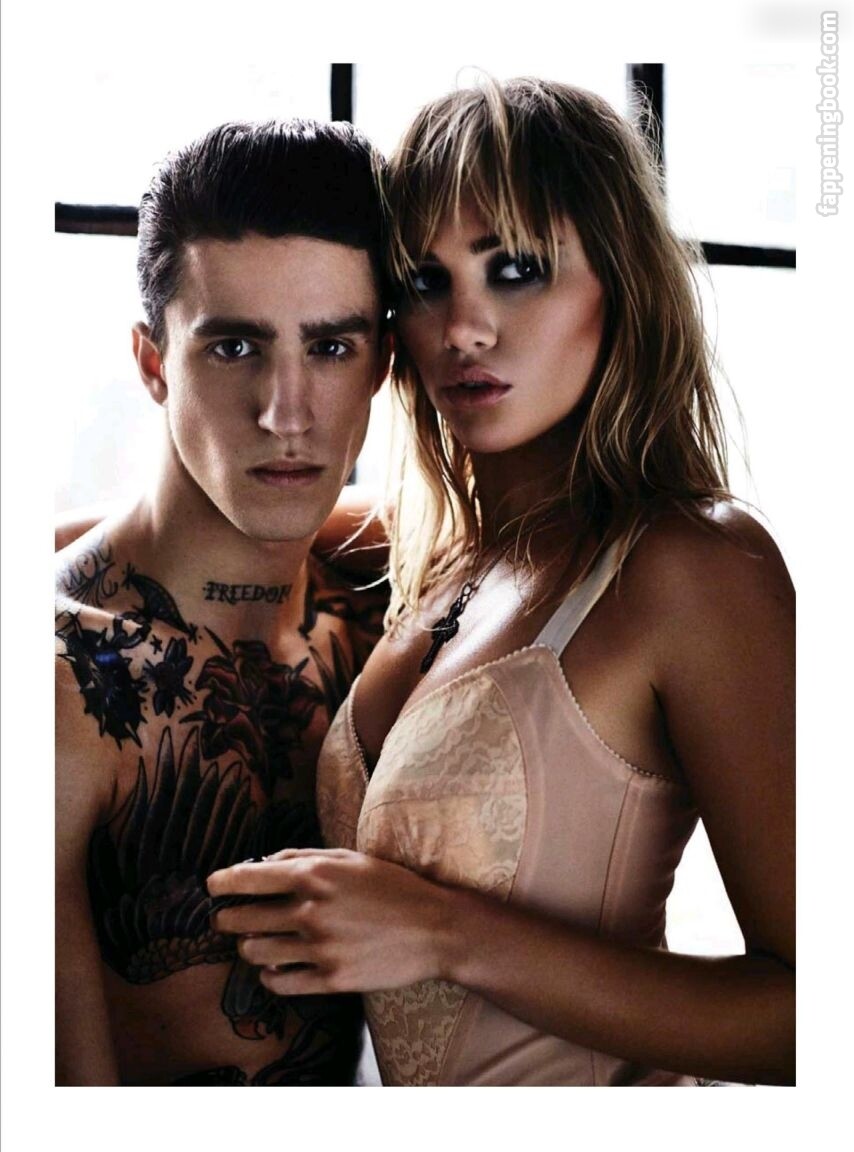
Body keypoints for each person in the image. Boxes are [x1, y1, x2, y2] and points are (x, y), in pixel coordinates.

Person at [208, 78, 795, 1087]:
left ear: (618, 282)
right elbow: (193, 533)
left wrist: (443, 931)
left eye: (515, 269)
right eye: (424, 282)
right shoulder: (438, 557)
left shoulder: (693, 567)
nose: (464, 328)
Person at [54, 118, 391, 1085]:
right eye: (235, 345)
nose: (287, 412)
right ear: (153, 363)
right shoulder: (56, 687)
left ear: (383, 365)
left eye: (331, 347)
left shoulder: (392, 600)